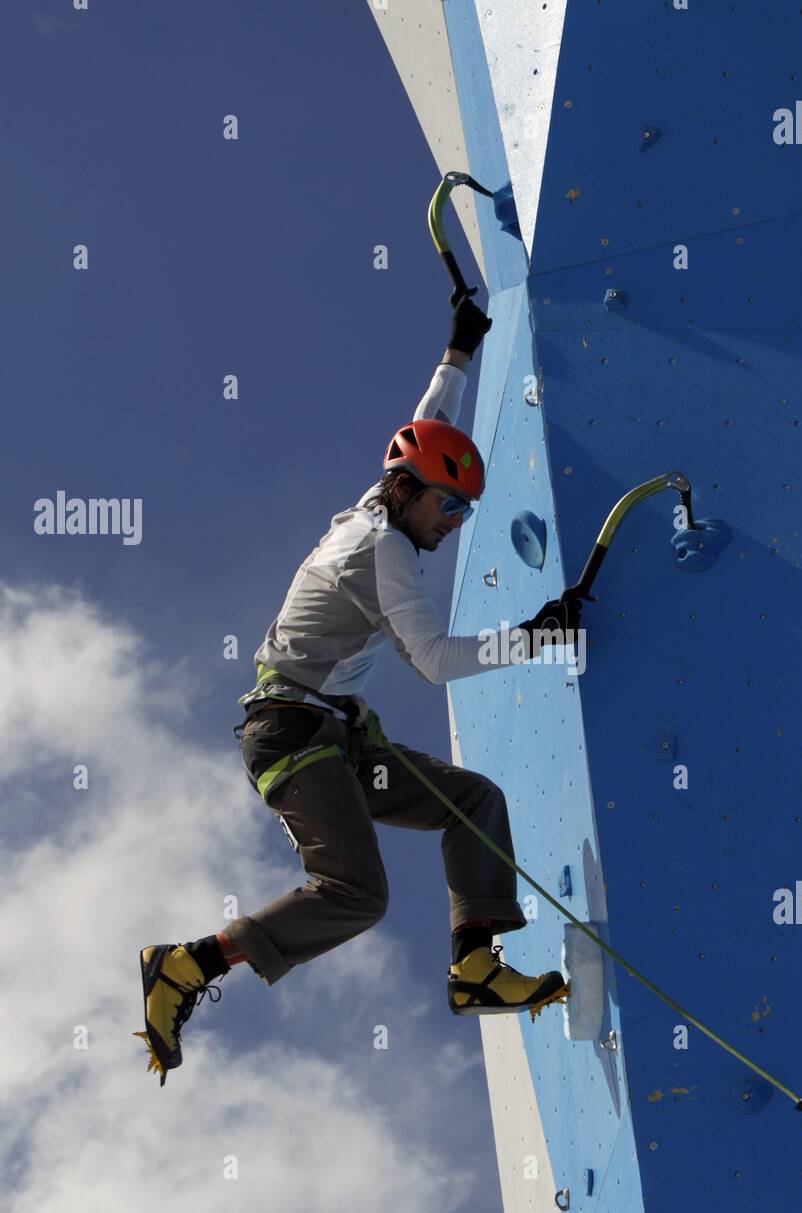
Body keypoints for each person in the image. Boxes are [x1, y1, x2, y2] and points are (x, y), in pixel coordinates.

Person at [134, 291, 583, 1085]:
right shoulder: (387, 551)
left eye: (465, 508)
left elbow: (423, 424)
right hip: (293, 738)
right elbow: (436, 661)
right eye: (450, 506)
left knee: (471, 802)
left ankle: (474, 966)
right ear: (412, 494)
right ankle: (189, 962)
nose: (454, 523)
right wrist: (537, 637)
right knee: (354, 893)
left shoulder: (382, 499)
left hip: (333, 737)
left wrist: (458, 350)